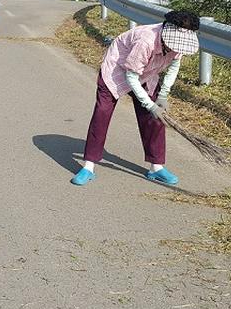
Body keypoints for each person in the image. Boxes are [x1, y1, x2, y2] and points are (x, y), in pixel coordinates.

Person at [71, 10, 201, 186]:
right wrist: (150, 104)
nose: (176, 49)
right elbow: (131, 77)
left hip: (146, 74)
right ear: (165, 33)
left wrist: (162, 96)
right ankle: (88, 166)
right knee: (102, 113)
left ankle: (156, 167)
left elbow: (174, 66)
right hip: (117, 70)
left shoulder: (179, 42)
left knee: (153, 118)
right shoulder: (146, 41)